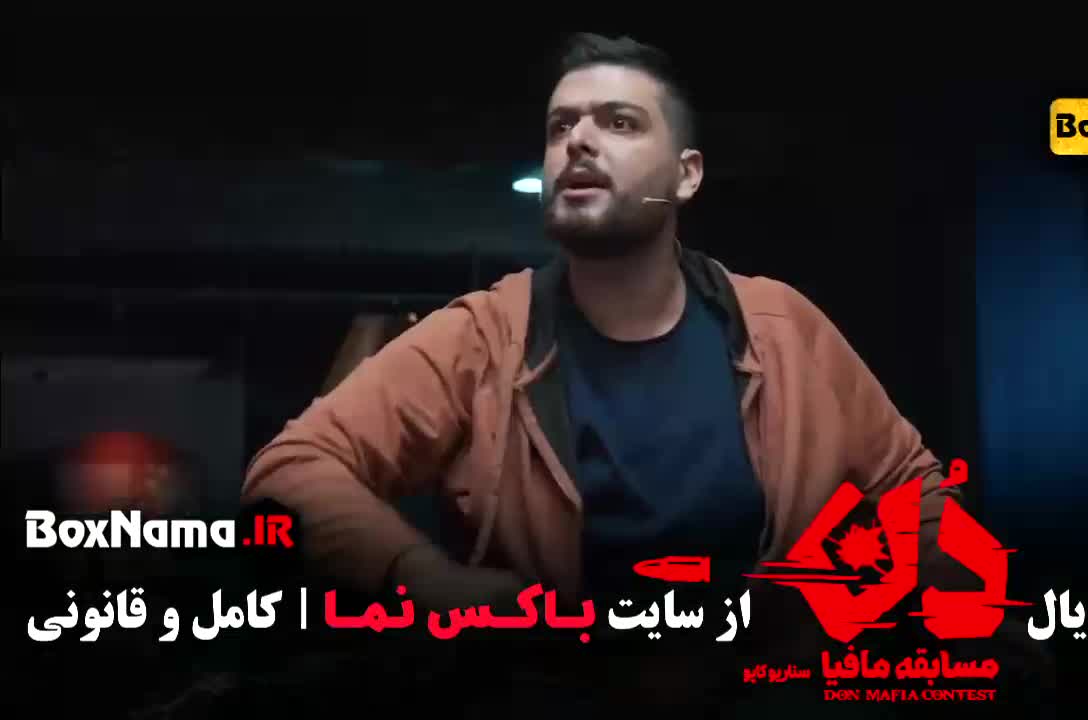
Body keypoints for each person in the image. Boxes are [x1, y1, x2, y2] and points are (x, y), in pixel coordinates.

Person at [242, 32, 960, 711]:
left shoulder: (780, 326)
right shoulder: (484, 336)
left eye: (619, 123)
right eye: (561, 127)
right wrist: (422, 577)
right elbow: (291, 468)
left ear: (686, 176)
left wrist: (936, 621)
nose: (577, 141)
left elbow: (910, 487)